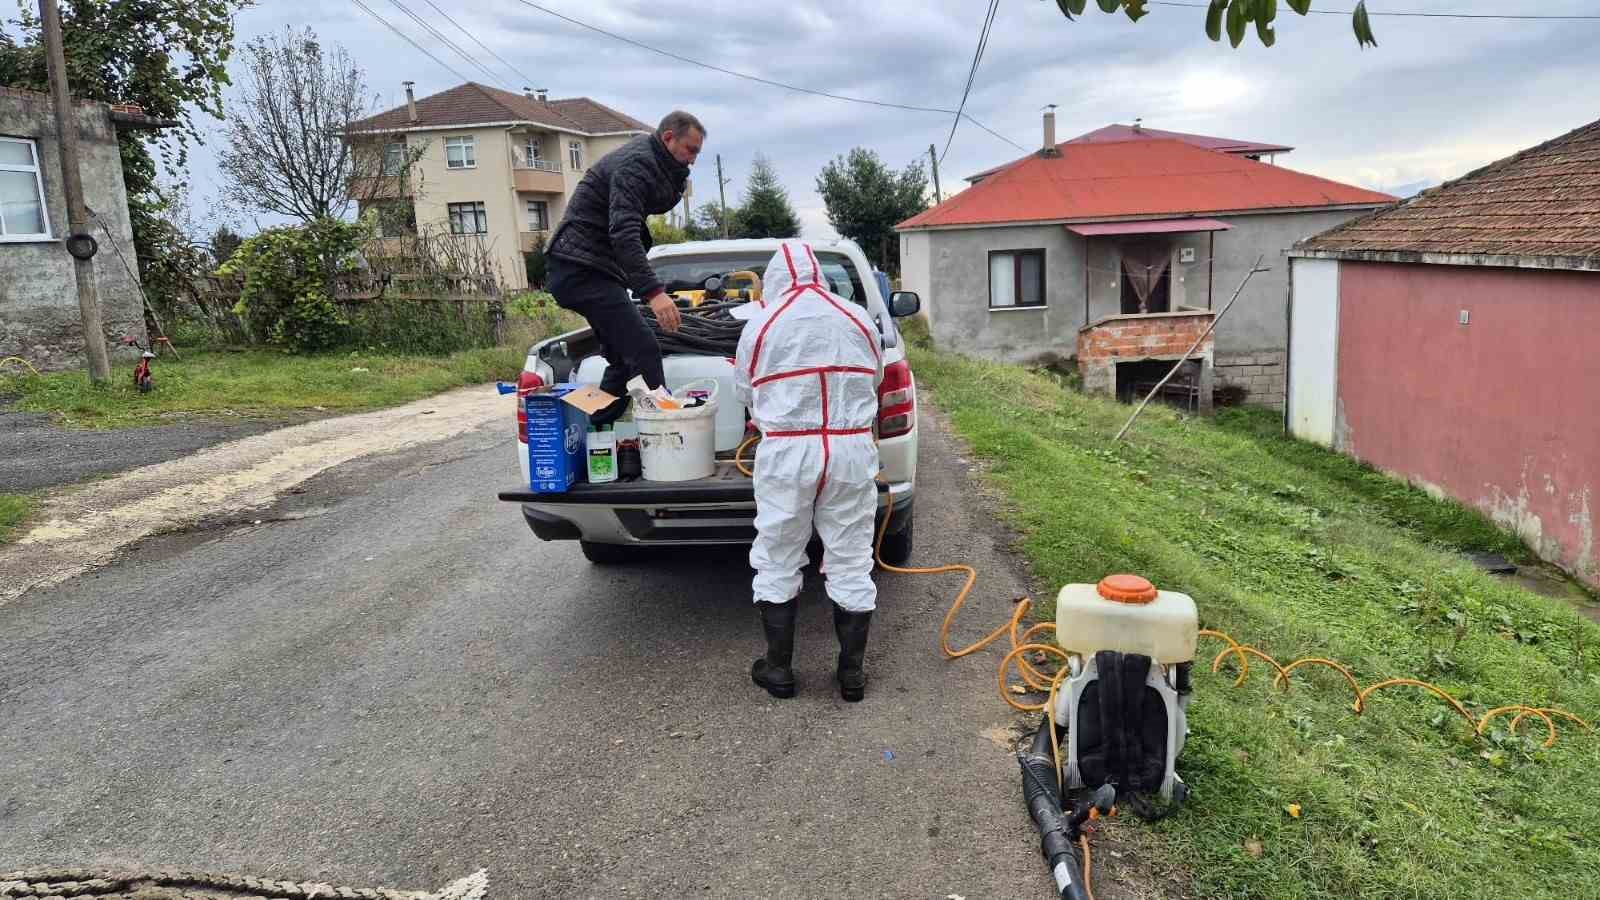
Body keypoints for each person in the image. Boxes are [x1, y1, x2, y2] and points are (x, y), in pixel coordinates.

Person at [735, 240, 884, 702]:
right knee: (852, 554)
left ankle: (778, 670)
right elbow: (876, 377)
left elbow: (745, 388)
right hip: (849, 448)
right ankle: (851, 676)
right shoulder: (859, 317)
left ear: (775, 280)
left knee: (778, 550)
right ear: (821, 274)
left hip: (787, 452)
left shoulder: (762, 322)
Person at [545, 110, 705, 424]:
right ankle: (670, 434)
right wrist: (654, 293)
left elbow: (653, 201)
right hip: (580, 269)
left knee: (621, 359)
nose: (693, 160)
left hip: (589, 267)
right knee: (644, 347)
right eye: (691, 150)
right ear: (668, 137)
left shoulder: (654, 163)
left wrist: (677, 176)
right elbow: (624, 233)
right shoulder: (637, 163)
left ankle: (593, 426)